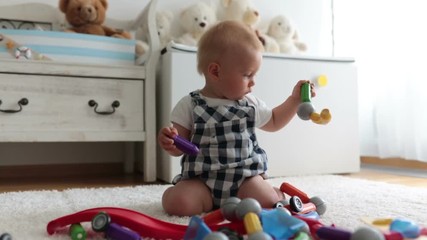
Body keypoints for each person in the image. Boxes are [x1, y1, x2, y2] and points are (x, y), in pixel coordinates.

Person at [158, 20, 315, 216]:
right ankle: (177, 194)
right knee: (180, 203)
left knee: (268, 202)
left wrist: (293, 101)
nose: (253, 82)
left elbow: (274, 121)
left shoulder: (250, 103)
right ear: (215, 71)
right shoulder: (189, 104)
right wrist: (170, 141)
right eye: (247, 75)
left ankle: (272, 192)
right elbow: (178, 144)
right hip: (202, 181)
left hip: (245, 179)